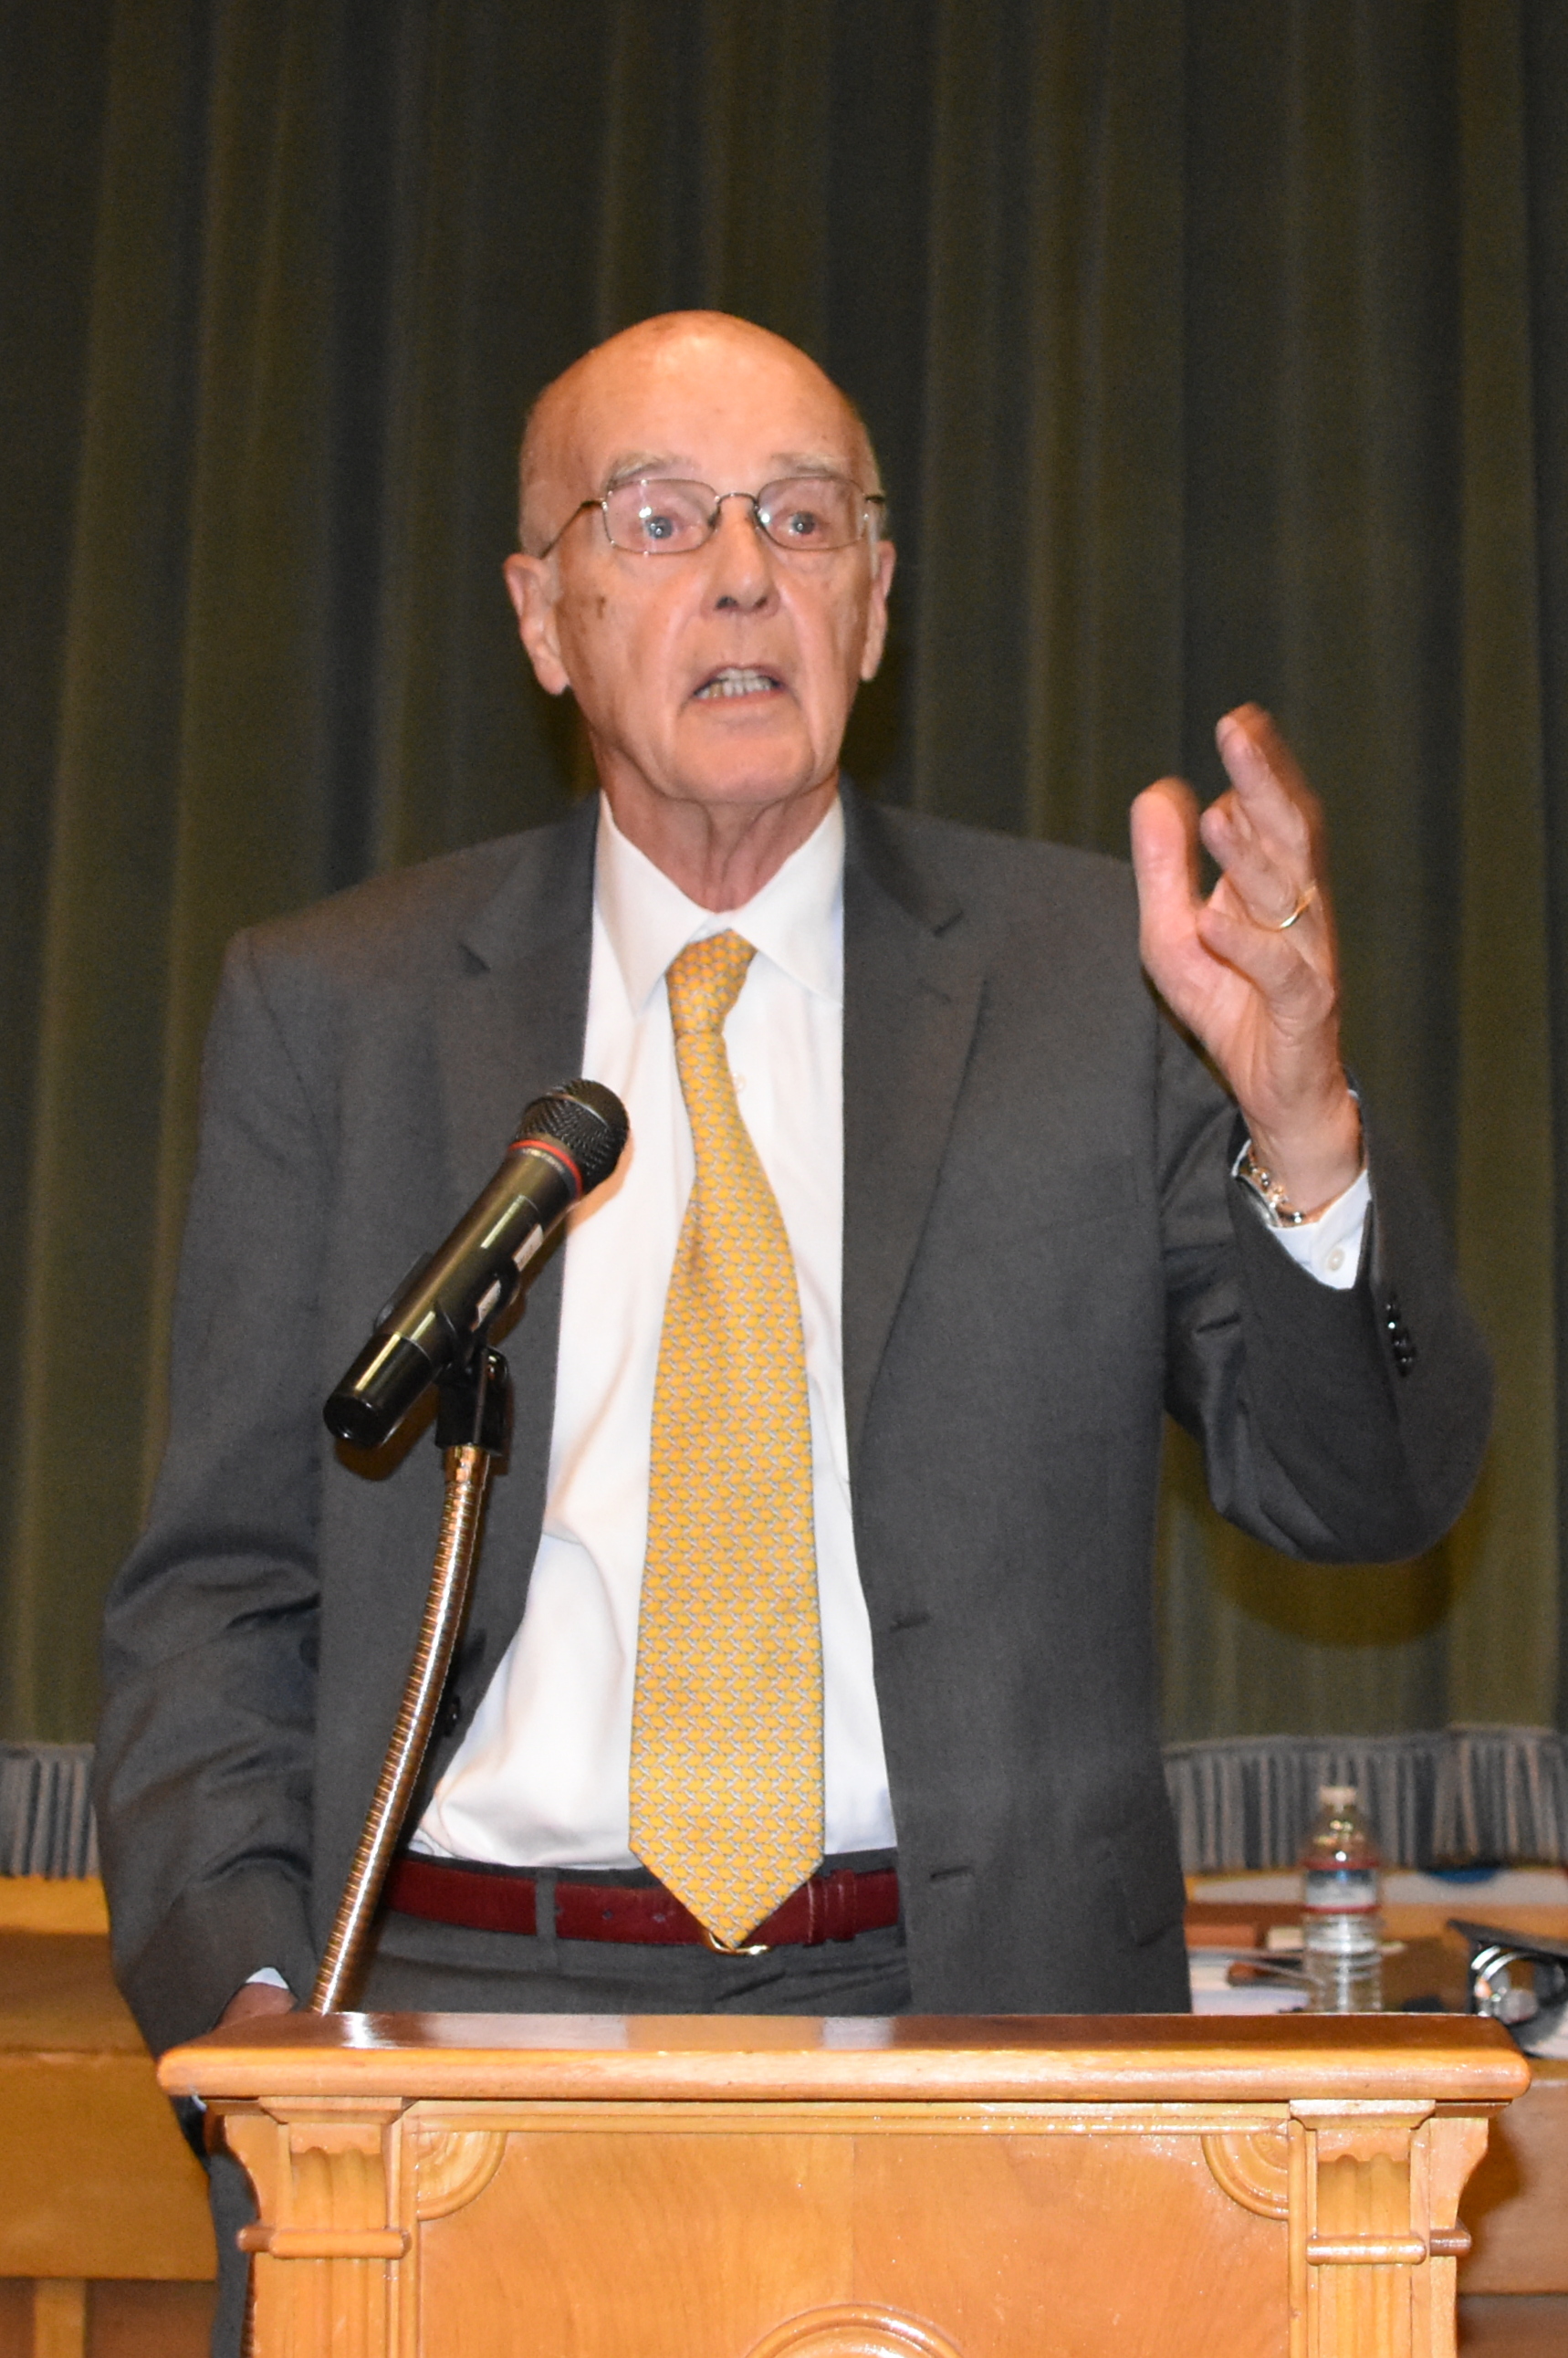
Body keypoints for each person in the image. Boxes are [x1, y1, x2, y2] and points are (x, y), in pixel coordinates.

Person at [95, 310, 1488, 2344]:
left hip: (975, 2030)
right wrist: (256, 2017)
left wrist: (1301, 1124)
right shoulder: (343, 1011)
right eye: (662, 519)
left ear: (876, 600)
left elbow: (1360, 1494)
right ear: (543, 615)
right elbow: (220, 1593)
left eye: (803, 518)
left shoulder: (1095, 985)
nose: (744, 573)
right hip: (442, 2042)